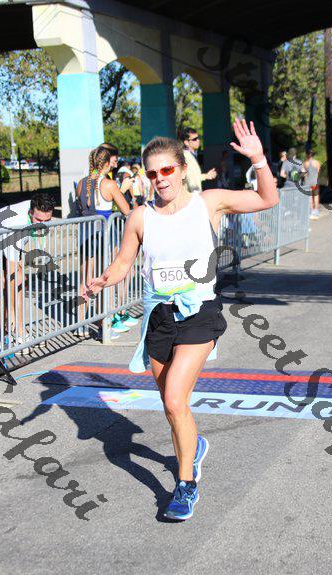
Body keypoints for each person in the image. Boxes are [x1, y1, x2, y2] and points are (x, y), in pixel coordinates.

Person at [83, 118, 279, 520]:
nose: (160, 179)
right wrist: (104, 280)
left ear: (182, 169)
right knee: (174, 407)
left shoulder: (208, 203)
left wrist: (258, 159)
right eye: (152, 173)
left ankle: (185, 485)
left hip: (199, 312)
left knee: (174, 398)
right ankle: (195, 445)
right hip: (158, 315)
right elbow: (123, 263)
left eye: (167, 170)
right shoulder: (141, 217)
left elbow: (267, 198)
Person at [0, 193, 56, 352]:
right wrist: (11, 310)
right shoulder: (16, 225)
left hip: (1, 242)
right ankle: (9, 334)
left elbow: (18, 260)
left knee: (20, 282)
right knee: (5, 286)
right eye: (39, 220)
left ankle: (17, 331)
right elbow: (11, 272)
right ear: (30, 212)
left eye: (47, 221)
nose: (42, 226)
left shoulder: (33, 210)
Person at [75, 147, 132, 338]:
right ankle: (102, 326)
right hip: (102, 236)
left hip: (85, 235)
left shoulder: (81, 184)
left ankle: (81, 325)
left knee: (84, 281)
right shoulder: (109, 184)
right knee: (102, 280)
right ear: (107, 164)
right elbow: (126, 210)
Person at [180, 127, 217, 192]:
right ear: (186, 142)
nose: (198, 140)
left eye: (198, 138)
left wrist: (206, 176)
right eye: (195, 139)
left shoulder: (191, 155)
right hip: (192, 195)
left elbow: (193, 176)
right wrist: (196, 196)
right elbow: (190, 180)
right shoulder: (185, 157)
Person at [303, 150, 321, 219]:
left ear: (307, 155)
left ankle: (311, 210)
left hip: (308, 182)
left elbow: (304, 174)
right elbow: (318, 172)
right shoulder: (317, 162)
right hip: (315, 181)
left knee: (310, 197)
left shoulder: (305, 163)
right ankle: (316, 211)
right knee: (316, 196)